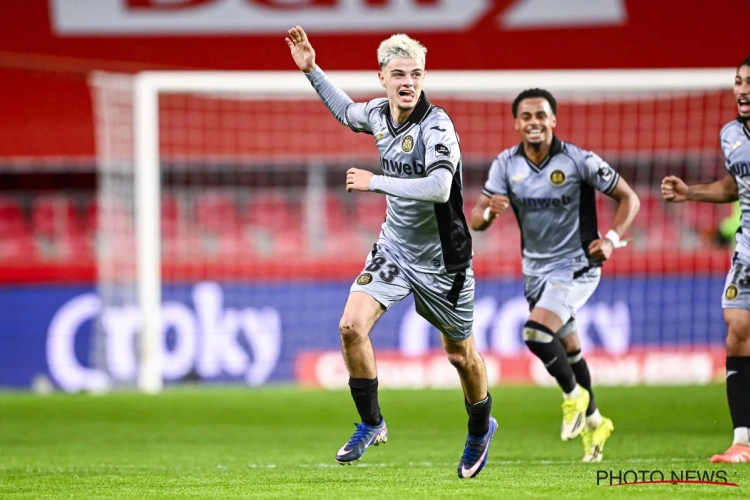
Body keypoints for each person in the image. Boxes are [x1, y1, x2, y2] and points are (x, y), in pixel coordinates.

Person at [286, 26, 497, 478]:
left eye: (416, 74)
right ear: (381, 77)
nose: (408, 82)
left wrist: (374, 181)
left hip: (443, 261)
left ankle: (481, 427)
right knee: (350, 327)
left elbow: (440, 188)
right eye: (399, 74)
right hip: (394, 250)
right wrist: (312, 70)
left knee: (460, 355)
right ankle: (371, 422)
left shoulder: (437, 126)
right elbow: (346, 111)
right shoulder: (379, 114)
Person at [469, 88, 640, 462]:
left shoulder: (579, 160)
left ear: (553, 120)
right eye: (526, 116)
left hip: (577, 264)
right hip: (535, 271)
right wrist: (489, 213)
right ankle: (596, 423)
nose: (534, 122)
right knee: (570, 349)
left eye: (540, 115)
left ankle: (573, 396)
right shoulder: (505, 164)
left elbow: (630, 197)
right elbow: (476, 217)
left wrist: (611, 239)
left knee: (535, 333)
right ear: (517, 123)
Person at [661, 54, 750, 463]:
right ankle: (742, 442)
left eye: (749, 82)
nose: (743, 90)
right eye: (738, 82)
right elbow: (735, 185)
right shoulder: (731, 134)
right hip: (746, 249)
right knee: (737, 330)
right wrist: (690, 193)